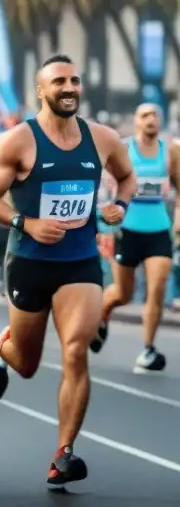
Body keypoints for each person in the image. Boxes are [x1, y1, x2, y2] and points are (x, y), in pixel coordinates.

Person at [0, 54, 135, 487]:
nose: (69, 88)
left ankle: (64, 453)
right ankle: (3, 349)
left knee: (75, 351)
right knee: (26, 364)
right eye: (59, 82)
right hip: (28, 262)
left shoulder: (101, 139)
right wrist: (26, 223)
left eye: (74, 81)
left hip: (80, 262)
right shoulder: (17, 142)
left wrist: (119, 204)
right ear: (41, 91)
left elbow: (127, 177)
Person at [91, 103, 172, 372]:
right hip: (127, 230)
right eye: (145, 115)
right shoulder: (123, 148)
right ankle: (102, 314)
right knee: (123, 294)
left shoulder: (169, 150)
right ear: (136, 121)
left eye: (155, 115)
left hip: (159, 228)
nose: (151, 120)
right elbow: (103, 184)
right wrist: (104, 220)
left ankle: (148, 349)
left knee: (157, 287)